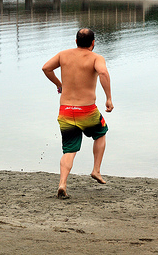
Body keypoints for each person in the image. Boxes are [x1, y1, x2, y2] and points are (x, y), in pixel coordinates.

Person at [42, 28, 114, 199]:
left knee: (69, 150)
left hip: (66, 111)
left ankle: (62, 184)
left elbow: (46, 68)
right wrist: (109, 98)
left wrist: (59, 85)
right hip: (87, 110)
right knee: (101, 133)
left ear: (75, 41)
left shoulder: (63, 55)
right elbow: (103, 72)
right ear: (93, 43)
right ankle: (96, 170)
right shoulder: (96, 58)